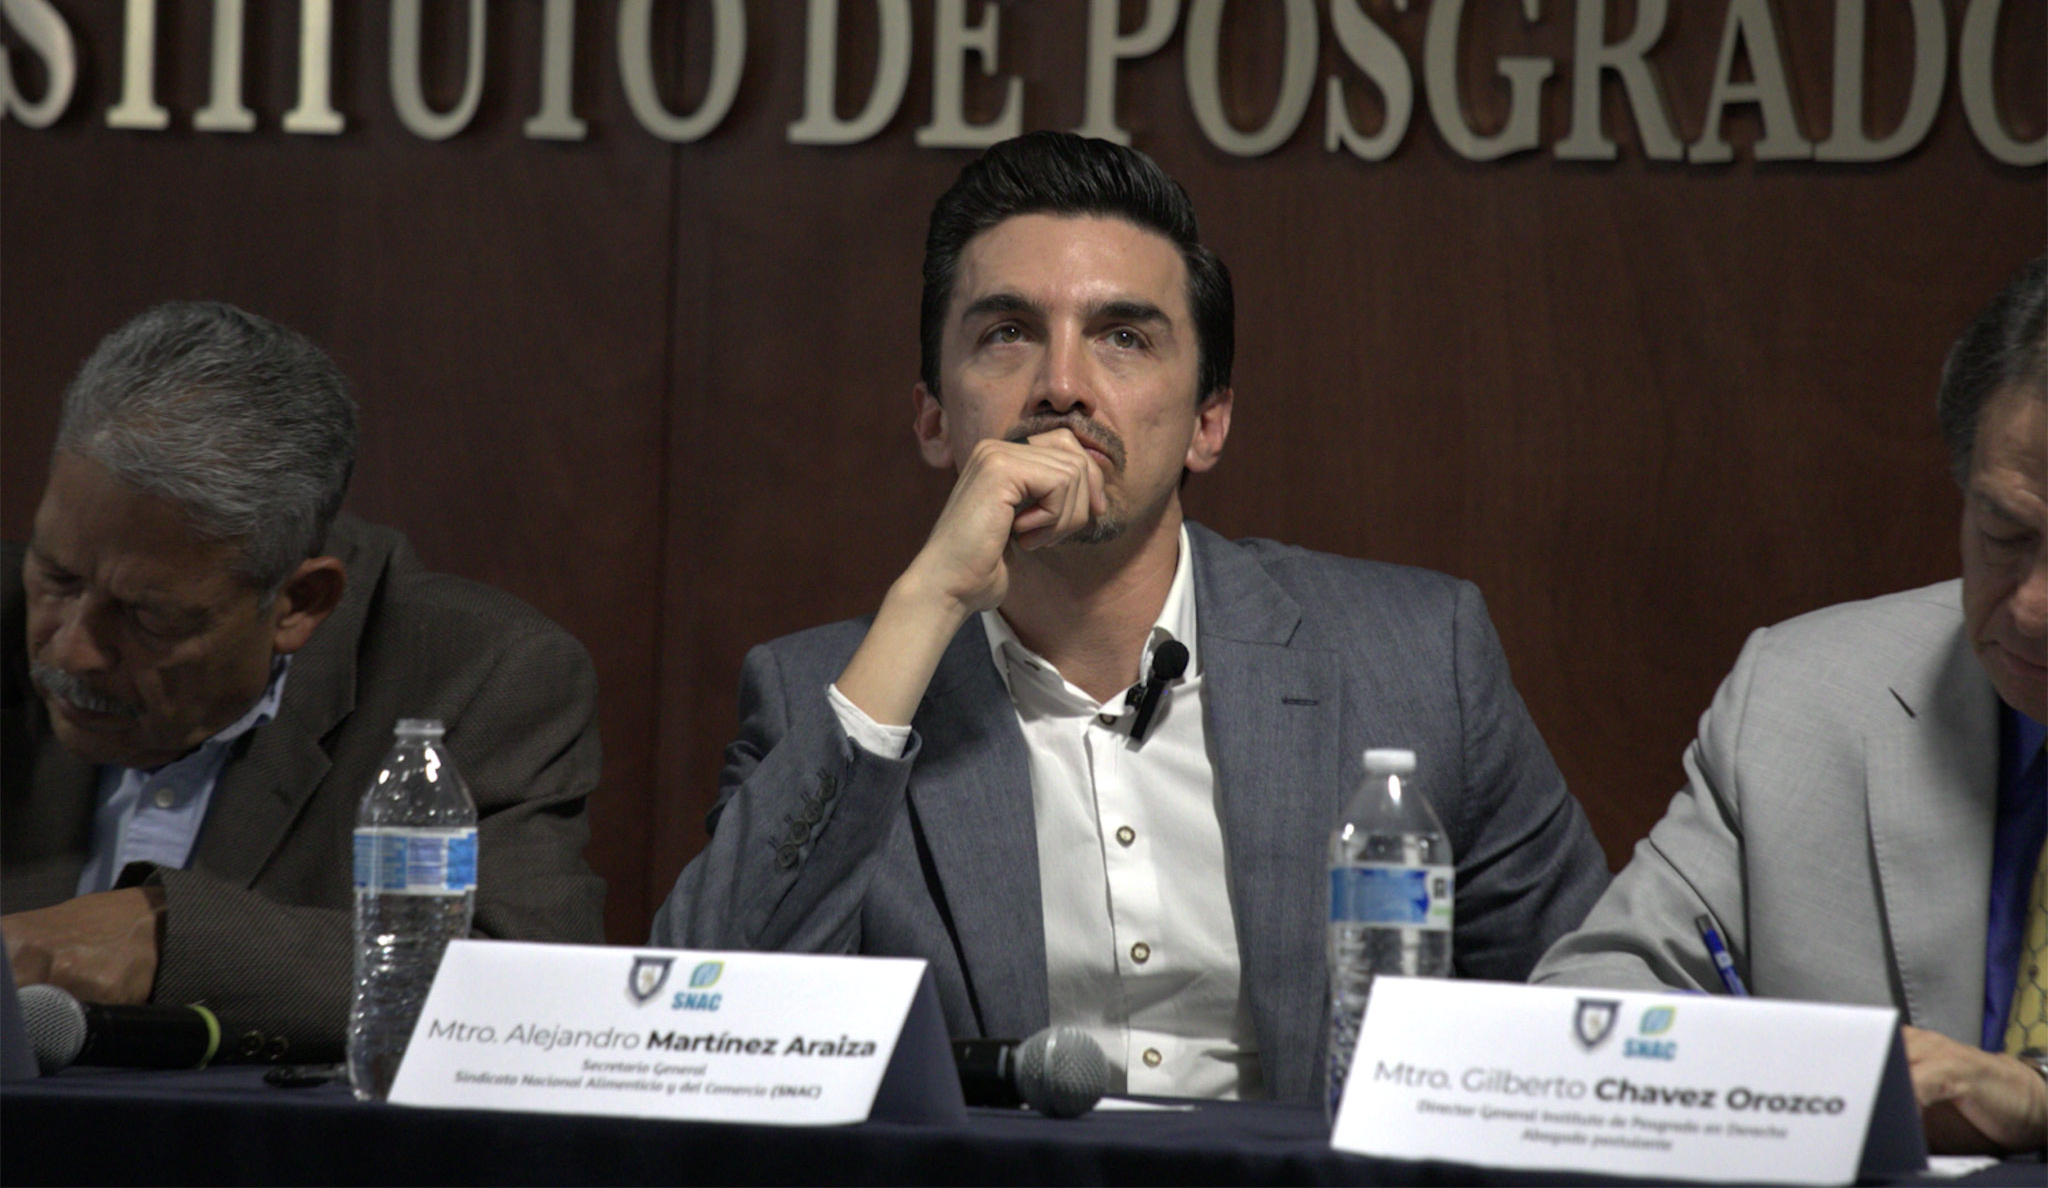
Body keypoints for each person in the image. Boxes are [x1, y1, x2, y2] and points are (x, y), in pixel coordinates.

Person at [652, 131, 1609, 1104]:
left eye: (1123, 336)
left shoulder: (1417, 659)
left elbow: (1583, 1021)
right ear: (934, 418)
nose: (1061, 385)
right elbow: (704, 1036)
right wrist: (928, 598)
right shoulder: (830, 700)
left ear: (1207, 422)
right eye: (1007, 332)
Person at [1531, 257, 2048, 1155]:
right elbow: (1590, 1003)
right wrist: (1785, 1075)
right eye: (2005, 535)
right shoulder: (1802, 697)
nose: (2033, 605)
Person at [3, 302, 607, 1064]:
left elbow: (524, 982)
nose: (72, 649)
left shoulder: (474, 677)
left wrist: (163, 934)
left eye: (146, 616)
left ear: (298, 602)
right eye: (56, 576)